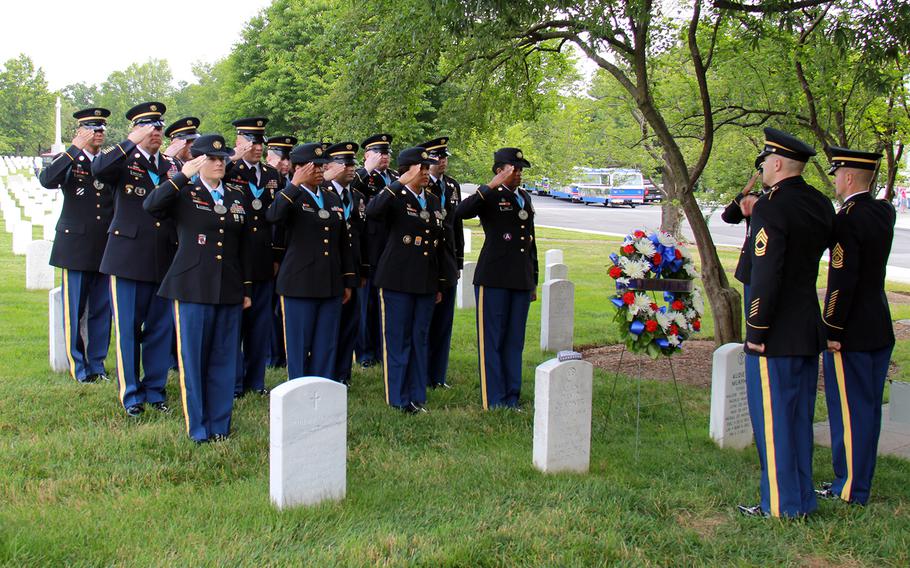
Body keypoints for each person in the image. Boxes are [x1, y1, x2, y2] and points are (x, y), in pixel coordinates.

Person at [737, 128, 835, 518]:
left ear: (776, 164)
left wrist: (757, 329)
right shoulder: (820, 203)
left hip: (775, 330)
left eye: (764, 163)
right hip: (806, 325)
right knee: (797, 420)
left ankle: (780, 504)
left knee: (774, 421)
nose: (762, 170)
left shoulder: (771, 208)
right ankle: (802, 498)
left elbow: (766, 273)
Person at [143, 134, 251, 443]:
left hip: (228, 287)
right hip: (192, 286)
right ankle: (199, 426)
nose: (220, 163)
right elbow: (151, 205)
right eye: (213, 159)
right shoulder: (184, 192)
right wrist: (181, 175)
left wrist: (245, 288)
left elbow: (243, 246)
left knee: (223, 358)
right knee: (194, 359)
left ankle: (220, 424)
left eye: (223, 159)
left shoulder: (235, 195)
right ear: (199, 161)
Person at [816, 147, 895, 505]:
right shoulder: (883, 211)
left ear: (848, 177)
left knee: (849, 410)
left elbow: (841, 281)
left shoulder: (846, 219)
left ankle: (848, 488)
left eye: (836, 174)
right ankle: (859, 481)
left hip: (853, 331)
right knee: (868, 410)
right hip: (879, 323)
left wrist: (832, 328)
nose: (834, 180)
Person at [92, 102, 178, 417]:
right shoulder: (123, 160)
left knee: (159, 328)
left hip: (163, 257)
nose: (156, 132)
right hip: (127, 257)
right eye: (149, 127)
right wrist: (130, 141)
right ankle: (131, 395)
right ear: (137, 129)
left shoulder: (170, 164)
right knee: (128, 329)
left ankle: (155, 390)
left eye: (159, 127)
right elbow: (99, 170)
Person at [455, 148, 538, 410]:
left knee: (514, 341)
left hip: (520, 279)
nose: (518, 174)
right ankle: (493, 398)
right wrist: (489, 186)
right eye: (514, 169)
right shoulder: (490, 195)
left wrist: (533, 278)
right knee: (492, 341)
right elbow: (460, 213)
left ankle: (512, 396)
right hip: (494, 277)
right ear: (500, 170)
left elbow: (530, 242)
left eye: (520, 170)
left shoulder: (523, 197)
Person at [266, 142, 356, 381]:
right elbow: (273, 216)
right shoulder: (290, 195)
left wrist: (347, 280)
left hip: (329, 282)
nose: (318, 170)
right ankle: (298, 388)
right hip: (299, 283)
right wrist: (294, 183)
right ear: (298, 168)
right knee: (299, 343)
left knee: (326, 343)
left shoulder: (330, 197)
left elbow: (342, 242)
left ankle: (322, 388)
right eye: (312, 166)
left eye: (320, 166)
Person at [367, 147, 446, 413]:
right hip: (397, 279)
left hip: (424, 279)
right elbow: (373, 211)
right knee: (398, 340)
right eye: (421, 168)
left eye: (428, 168)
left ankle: (416, 395)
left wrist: (438, 282)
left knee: (420, 338)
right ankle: (398, 397)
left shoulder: (433, 201)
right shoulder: (395, 196)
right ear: (407, 169)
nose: (426, 173)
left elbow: (438, 243)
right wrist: (397, 183)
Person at [38, 107, 113, 383]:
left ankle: (97, 364)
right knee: (75, 309)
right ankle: (78, 366)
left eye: (102, 128)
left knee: (102, 311)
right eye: (93, 128)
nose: (99, 133)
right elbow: (47, 180)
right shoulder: (70, 160)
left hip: (105, 247)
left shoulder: (107, 162)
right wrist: (72, 150)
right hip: (76, 248)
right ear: (80, 132)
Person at [225, 118, 283, 397]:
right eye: (251, 141)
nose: (257, 147)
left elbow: (280, 218)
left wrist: (276, 255)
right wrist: (232, 156)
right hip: (235, 258)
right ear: (239, 141)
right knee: (236, 323)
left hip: (263, 258)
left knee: (260, 324)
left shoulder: (272, 175)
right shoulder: (228, 168)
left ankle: (255, 380)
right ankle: (235, 382)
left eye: (260, 141)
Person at [322, 141, 369, 386]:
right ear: (329, 166)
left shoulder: (358, 196)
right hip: (329, 268)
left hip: (353, 268)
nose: (351, 168)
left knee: (350, 324)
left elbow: (363, 235)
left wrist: (363, 269)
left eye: (353, 163)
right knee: (330, 325)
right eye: (345, 163)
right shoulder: (322, 193)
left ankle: (343, 373)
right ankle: (327, 373)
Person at [419, 136, 463, 389]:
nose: (443, 161)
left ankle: (438, 374)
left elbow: (456, 226)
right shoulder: (422, 186)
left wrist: (458, 260)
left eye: (445, 156)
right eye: (437, 157)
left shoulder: (452, 186)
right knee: (427, 321)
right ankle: (423, 373)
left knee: (444, 322)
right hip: (427, 259)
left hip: (447, 259)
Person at [351, 133, 398, 368]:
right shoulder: (362, 177)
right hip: (369, 246)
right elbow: (348, 190)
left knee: (385, 303)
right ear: (367, 155)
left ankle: (382, 349)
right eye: (379, 152)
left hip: (392, 245)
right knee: (366, 302)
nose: (385, 157)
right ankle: (365, 352)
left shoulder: (395, 177)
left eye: (387, 152)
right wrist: (365, 170)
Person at [264, 135, 297, 369]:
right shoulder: (267, 179)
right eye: (280, 158)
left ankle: (283, 352)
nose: (285, 164)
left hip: (290, 251)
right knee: (270, 308)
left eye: (288, 158)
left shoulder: (293, 183)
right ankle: (273, 354)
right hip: (270, 249)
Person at [720, 164, 764, 316]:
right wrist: (744, 193)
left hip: (771, 265)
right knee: (752, 316)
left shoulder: (778, 199)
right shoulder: (753, 197)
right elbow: (728, 217)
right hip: (752, 265)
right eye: (761, 172)